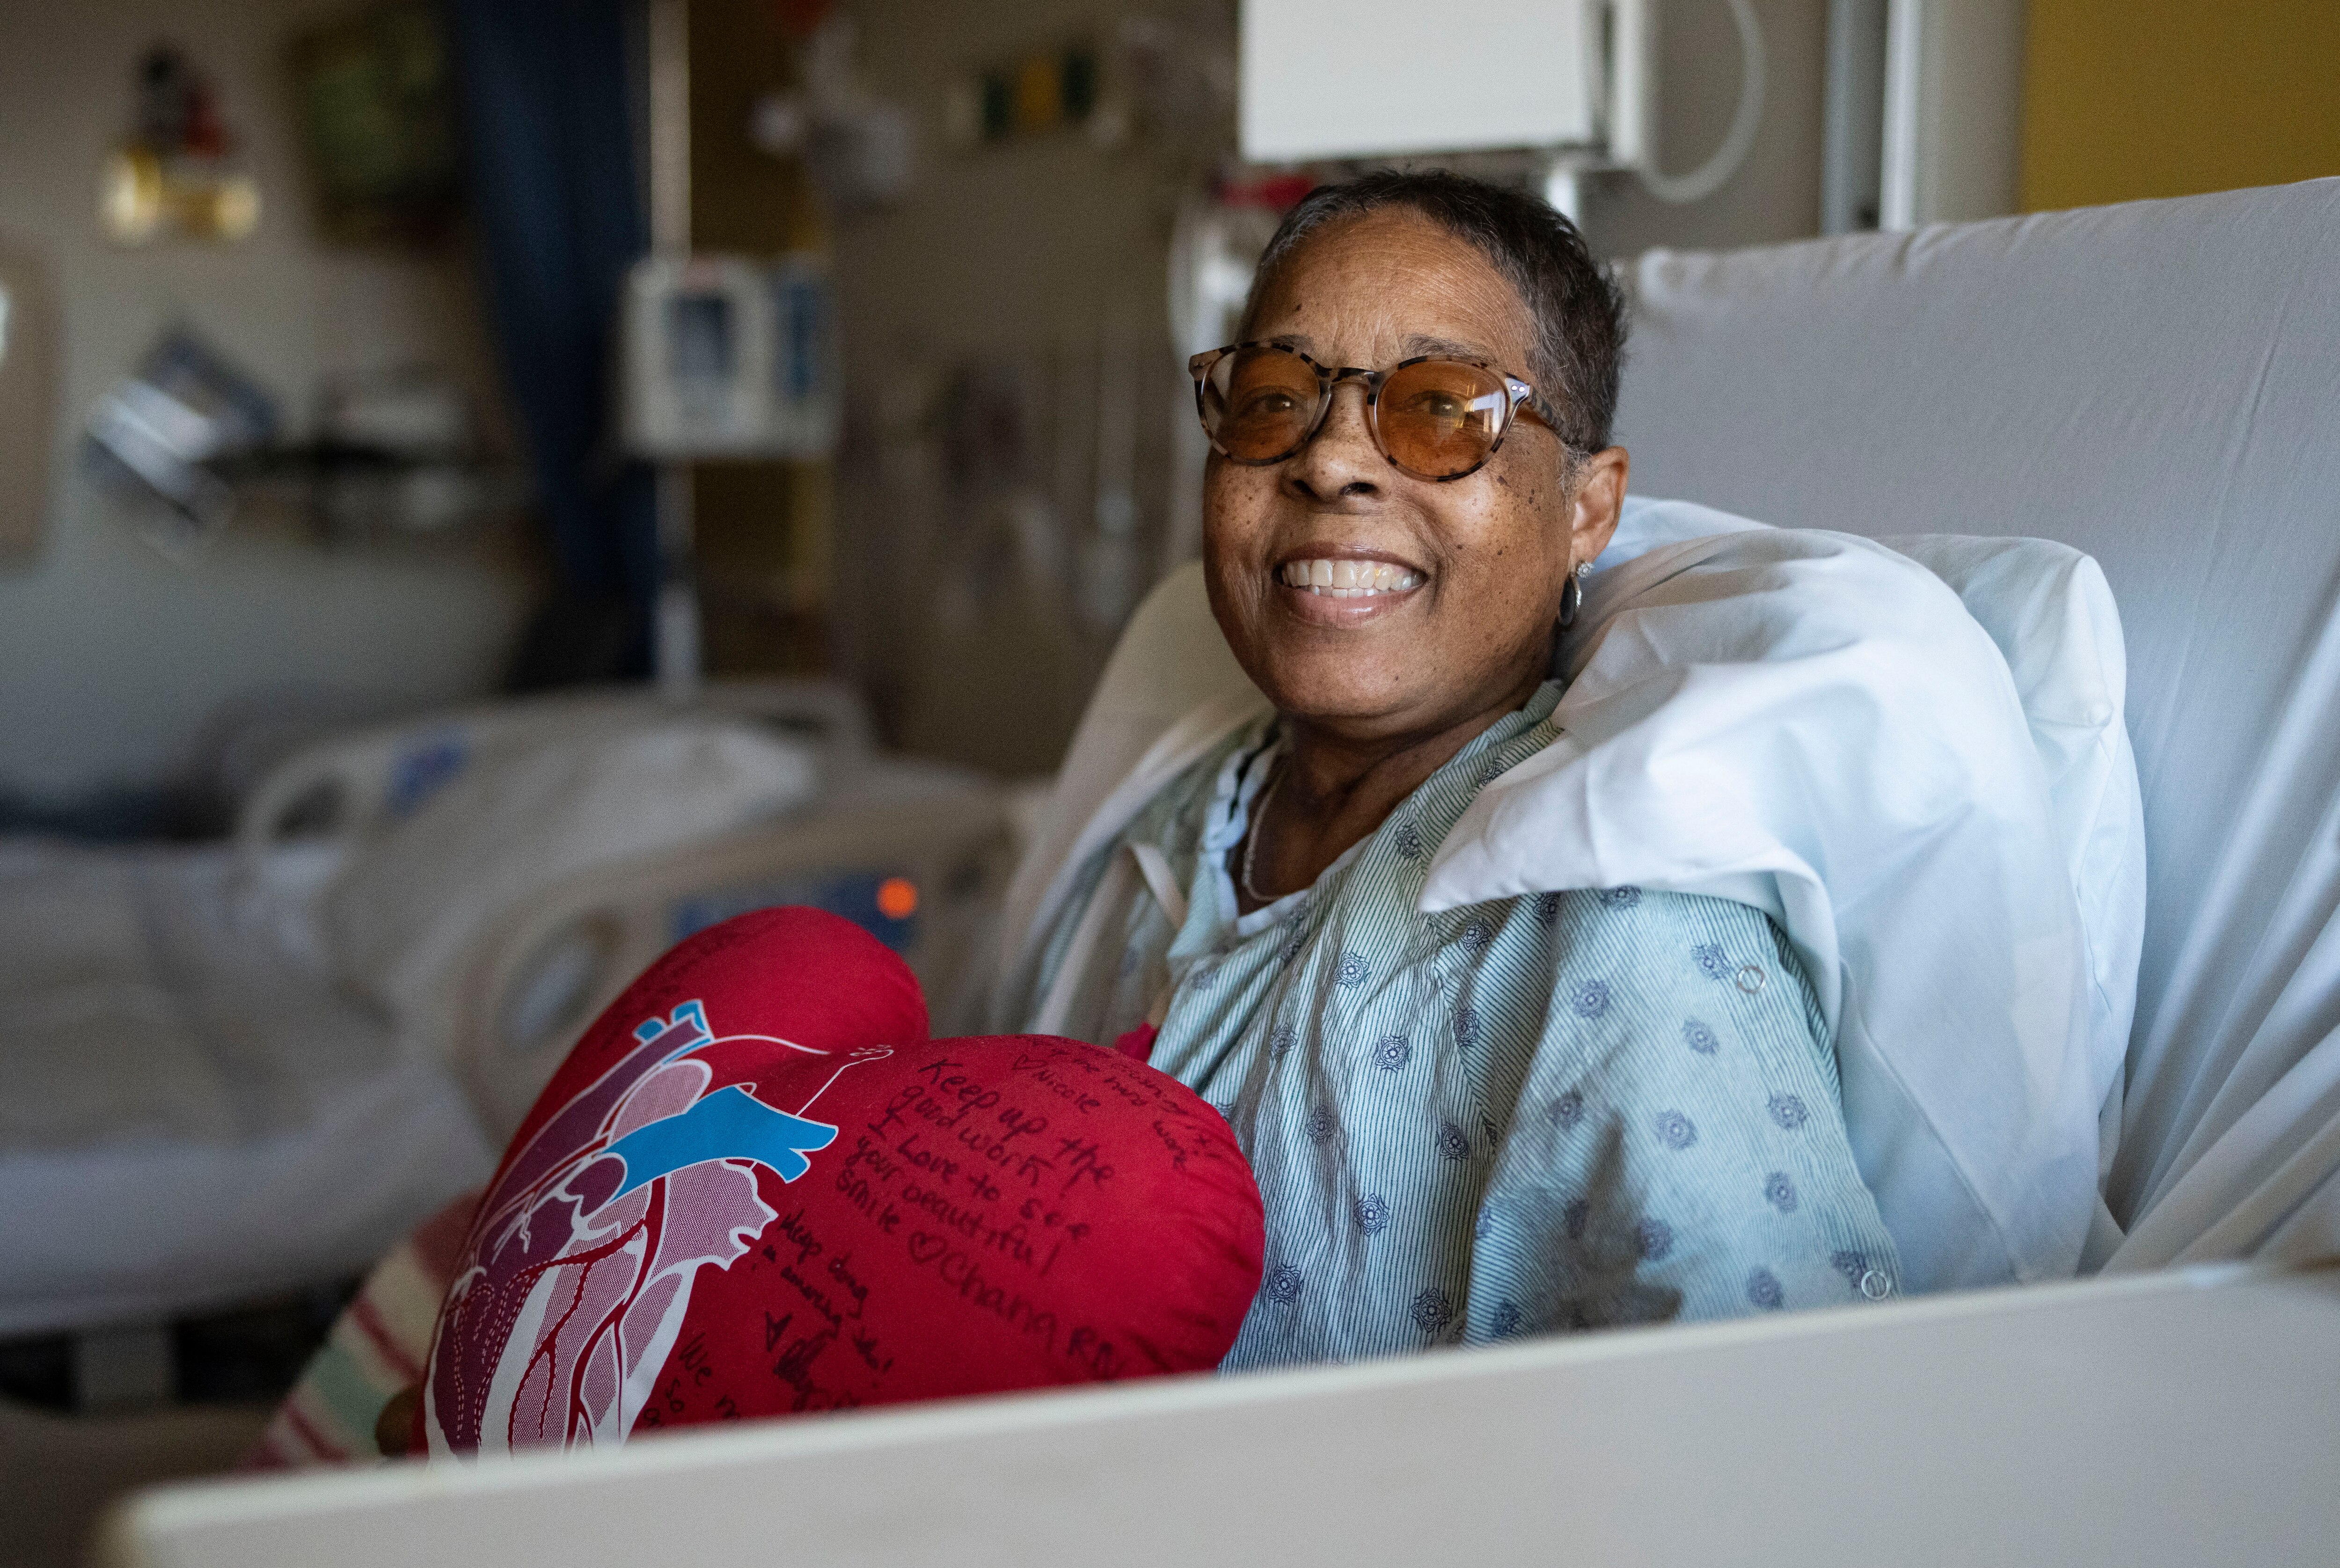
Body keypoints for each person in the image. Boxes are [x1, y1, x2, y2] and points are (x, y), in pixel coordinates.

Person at [988, 170, 1902, 1369]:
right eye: (1273, 398)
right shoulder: (1162, 825)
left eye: (1438, 408)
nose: (1332, 465)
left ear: (1587, 508)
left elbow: (1792, 1447)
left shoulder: (1623, 930)